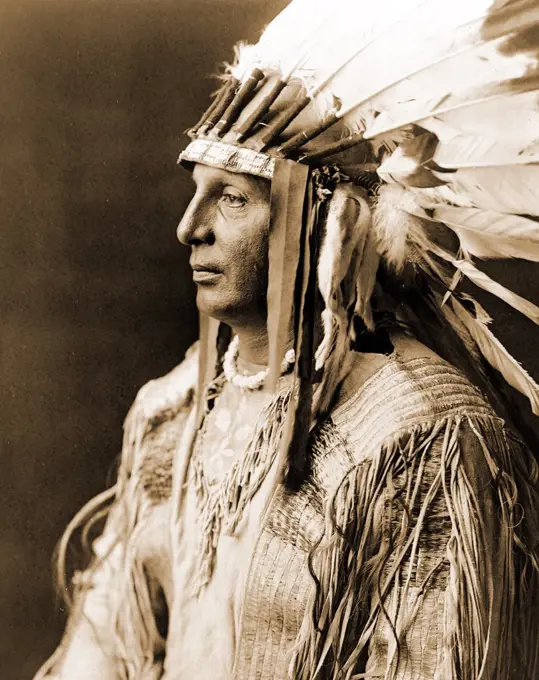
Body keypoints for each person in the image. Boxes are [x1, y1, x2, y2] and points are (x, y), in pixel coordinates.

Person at [35, 0, 539, 678]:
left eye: (233, 198)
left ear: (320, 222)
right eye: (197, 191)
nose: (189, 227)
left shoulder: (424, 437)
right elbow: (107, 640)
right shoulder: (173, 411)